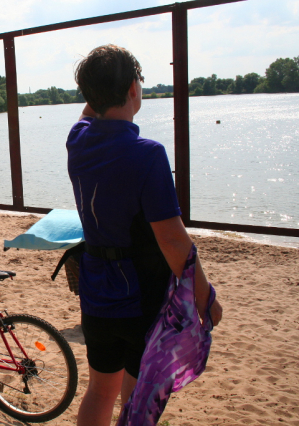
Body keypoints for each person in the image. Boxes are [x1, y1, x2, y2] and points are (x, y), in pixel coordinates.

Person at [67, 44, 223, 426]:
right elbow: (172, 239)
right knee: (135, 399)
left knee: (100, 389)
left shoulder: (78, 139)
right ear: (134, 90)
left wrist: (104, 85)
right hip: (140, 298)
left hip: (96, 292)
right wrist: (205, 296)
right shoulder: (147, 153)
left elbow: (92, 111)